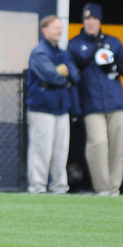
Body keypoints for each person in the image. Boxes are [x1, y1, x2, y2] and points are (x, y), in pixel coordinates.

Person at [67, 3, 123, 196]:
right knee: (98, 144)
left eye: (94, 19)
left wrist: (115, 64)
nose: (90, 22)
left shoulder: (114, 42)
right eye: (87, 19)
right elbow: (73, 75)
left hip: (116, 102)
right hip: (91, 103)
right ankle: (102, 187)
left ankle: (114, 188)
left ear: (100, 21)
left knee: (117, 147)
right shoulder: (75, 44)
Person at [27, 15, 79, 194]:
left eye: (60, 27)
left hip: (61, 108)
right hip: (43, 108)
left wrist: (65, 72)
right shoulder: (39, 52)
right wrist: (64, 74)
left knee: (60, 151)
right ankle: (38, 187)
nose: (59, 30)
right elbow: (52, 76)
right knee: (41, 150)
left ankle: (59, 188)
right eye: (55, 27)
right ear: (45, 30)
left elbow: (76, 75)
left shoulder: (62, 52)